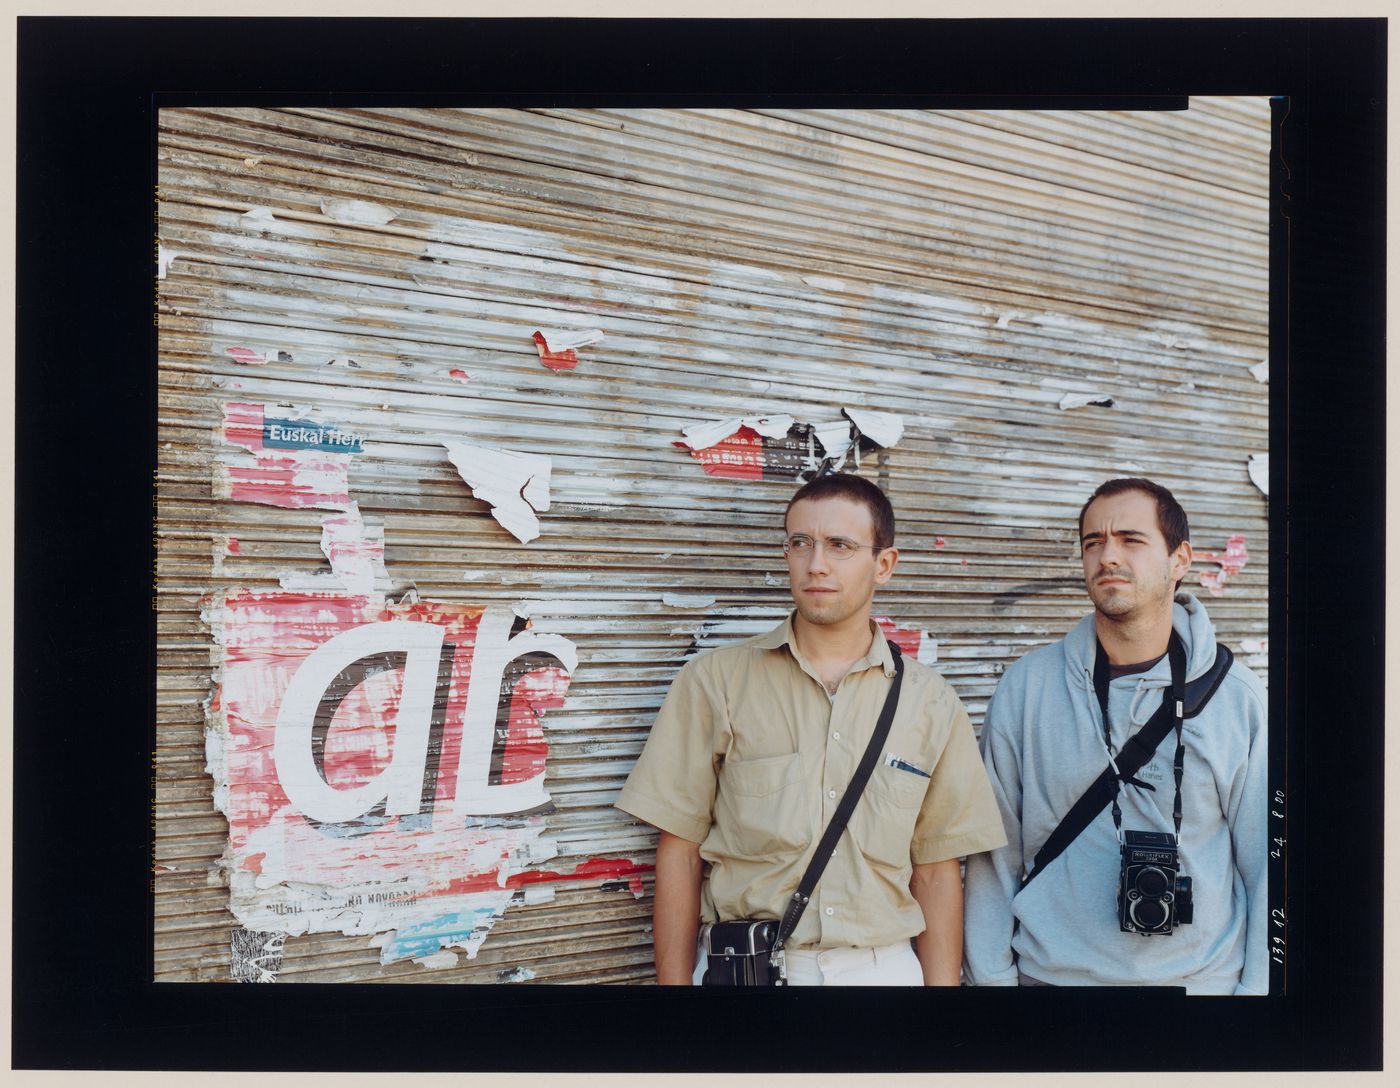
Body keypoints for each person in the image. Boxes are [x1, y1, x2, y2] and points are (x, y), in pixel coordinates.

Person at [616, 473, 1007, 986]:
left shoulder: (931, 702)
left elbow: (936, 872)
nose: (816, 564)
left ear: (883, 564)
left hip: (881, 973)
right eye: (801, 543)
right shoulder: (716, 682)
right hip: (746, 973)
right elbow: (679, 852)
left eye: (840, 546)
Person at [963, 478, 1268, 994]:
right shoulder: (1027, 688)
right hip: (1050, 987)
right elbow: (994, 859)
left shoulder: (1238, 698)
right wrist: (993, 988)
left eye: (1131, 539)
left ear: (1180, 559)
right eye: (1093, 542)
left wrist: (1257, 1001)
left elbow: (1268, 865)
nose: (1107, 556)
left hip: (1200, 992)